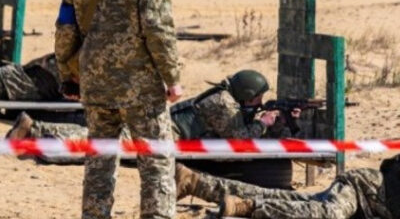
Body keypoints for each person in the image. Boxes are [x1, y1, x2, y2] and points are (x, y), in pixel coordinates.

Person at [54, 0, 191, 219]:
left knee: (100, 157)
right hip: (139, 82)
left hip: (95, 78)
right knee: (156, 156)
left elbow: (66, 23)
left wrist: (68, 71)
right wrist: (172, 76)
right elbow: (156, 25)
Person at [175, 129, 400, 219]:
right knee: (328, 214)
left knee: (289, 198)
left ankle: (195, 183)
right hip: (361, 191)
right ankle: (249, 207)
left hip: (374, 215)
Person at [6, 70, 285, 145]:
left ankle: (36, 128)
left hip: (157, 124)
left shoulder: (224, 95)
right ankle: (35, 130)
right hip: (159, 133)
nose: (259, 103)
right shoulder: (223, 103)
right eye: (257, 98)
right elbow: (239, 138)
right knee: (101, 142)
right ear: (247, 94)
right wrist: (264, 123)